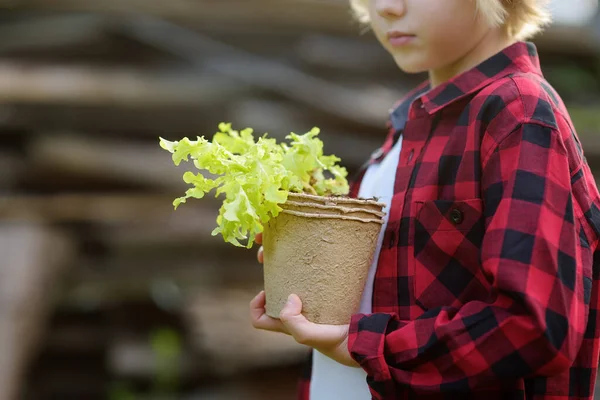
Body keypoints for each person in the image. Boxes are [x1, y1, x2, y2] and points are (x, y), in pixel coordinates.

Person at [250, 0, 600, 398]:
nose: (386, 8)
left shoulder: (517, 111)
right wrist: (307, 270)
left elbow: (535, 326)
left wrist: (368, 345)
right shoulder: (409, 127)